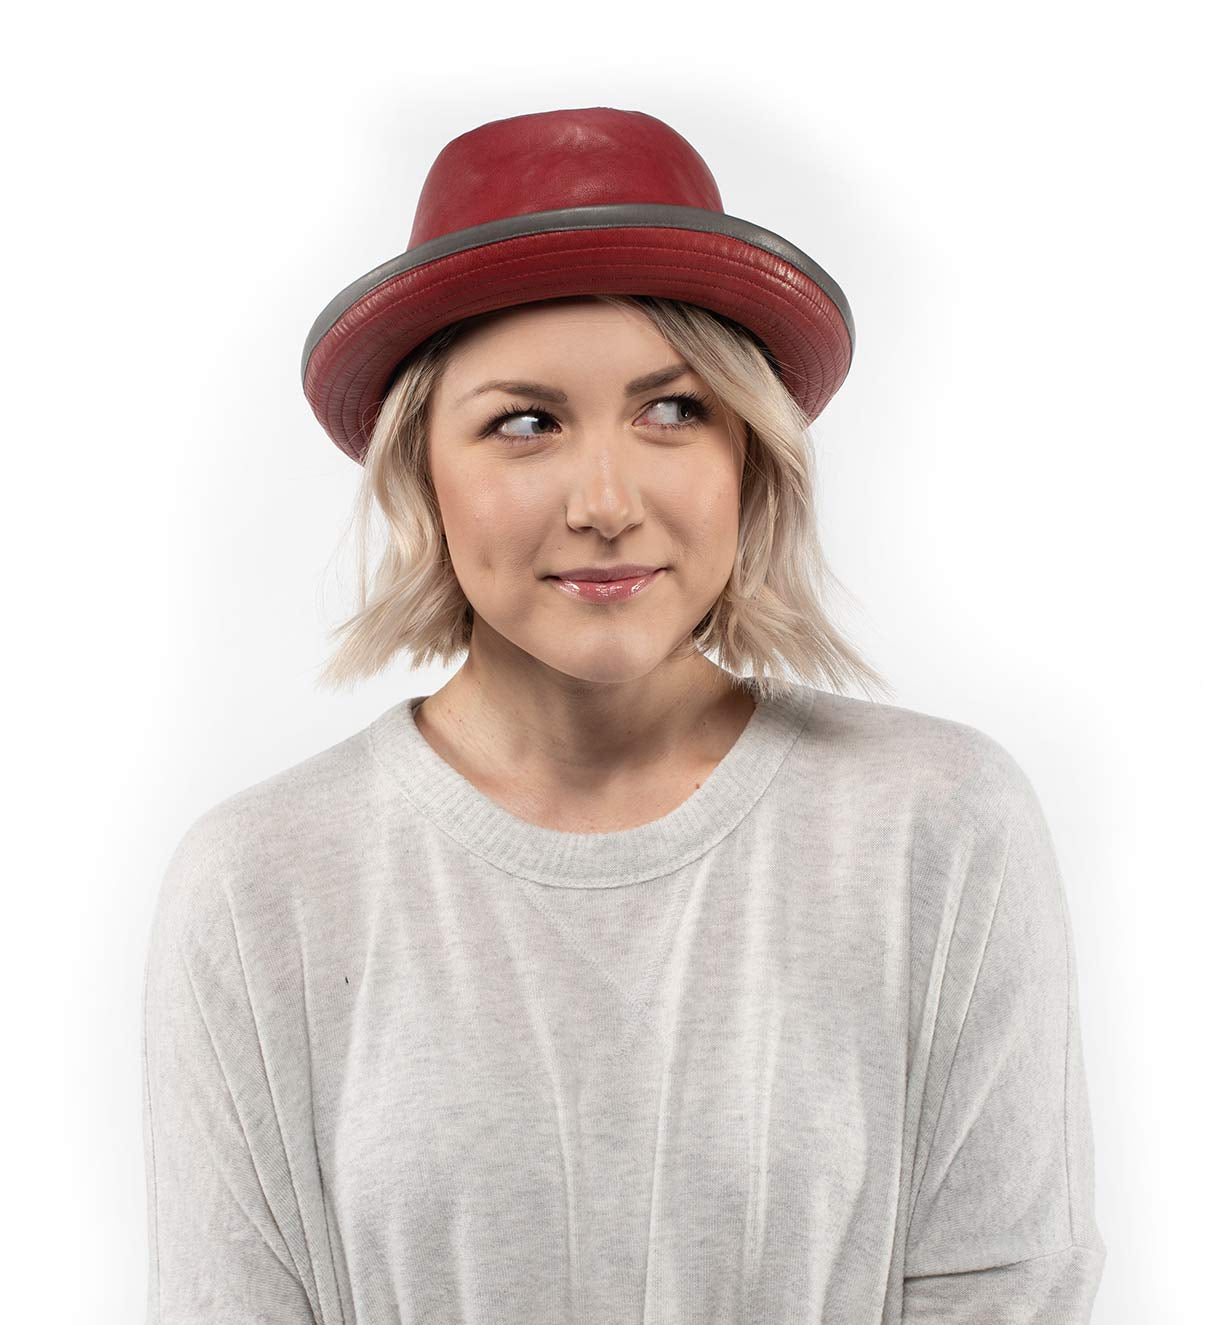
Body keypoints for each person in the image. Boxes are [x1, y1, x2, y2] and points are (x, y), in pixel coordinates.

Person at [141, 107, 1106, 1322]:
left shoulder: (938, 826)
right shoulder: (258, 884)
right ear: (421, 477)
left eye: (672, 409)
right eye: (525, 422)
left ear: (748, 453)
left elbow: (1007, 1290)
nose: (606, 500)